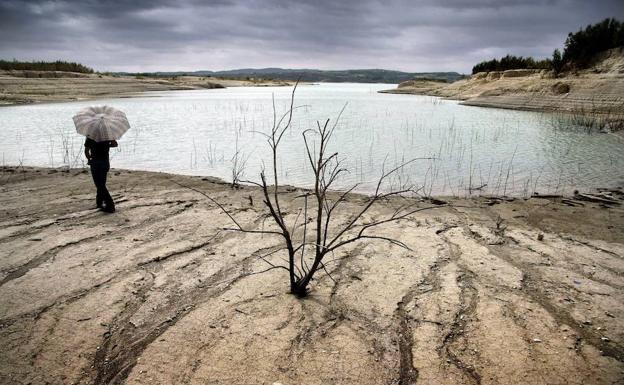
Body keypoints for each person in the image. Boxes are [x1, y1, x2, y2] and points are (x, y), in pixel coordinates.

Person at [84, 138, 118, 213]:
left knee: (99, 184)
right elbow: (115, 144)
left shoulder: (90, 136)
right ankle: (99, 202)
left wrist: (89, 159)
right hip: (105, 162)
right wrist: (107, 145)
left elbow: (86, 150)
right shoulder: (107, 135)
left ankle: (110, 204)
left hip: (95, 163)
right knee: (101, 183)